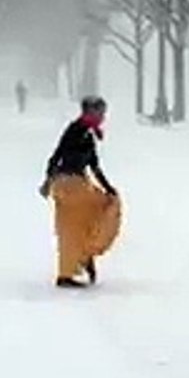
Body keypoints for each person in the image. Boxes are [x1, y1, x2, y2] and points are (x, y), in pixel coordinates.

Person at [39, 95, 122, 288]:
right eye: (100, 112)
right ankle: (77, 262)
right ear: (89, 112)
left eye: (103, 112)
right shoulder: (76, 130)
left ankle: (80, 258)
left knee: (79, 226)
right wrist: (48, 180)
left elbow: (94, 166)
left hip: (76, 183)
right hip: (67, 184)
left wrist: (109, 189)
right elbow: (57, 156)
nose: (103, 116)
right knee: (77, 225)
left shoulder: (88, 133)